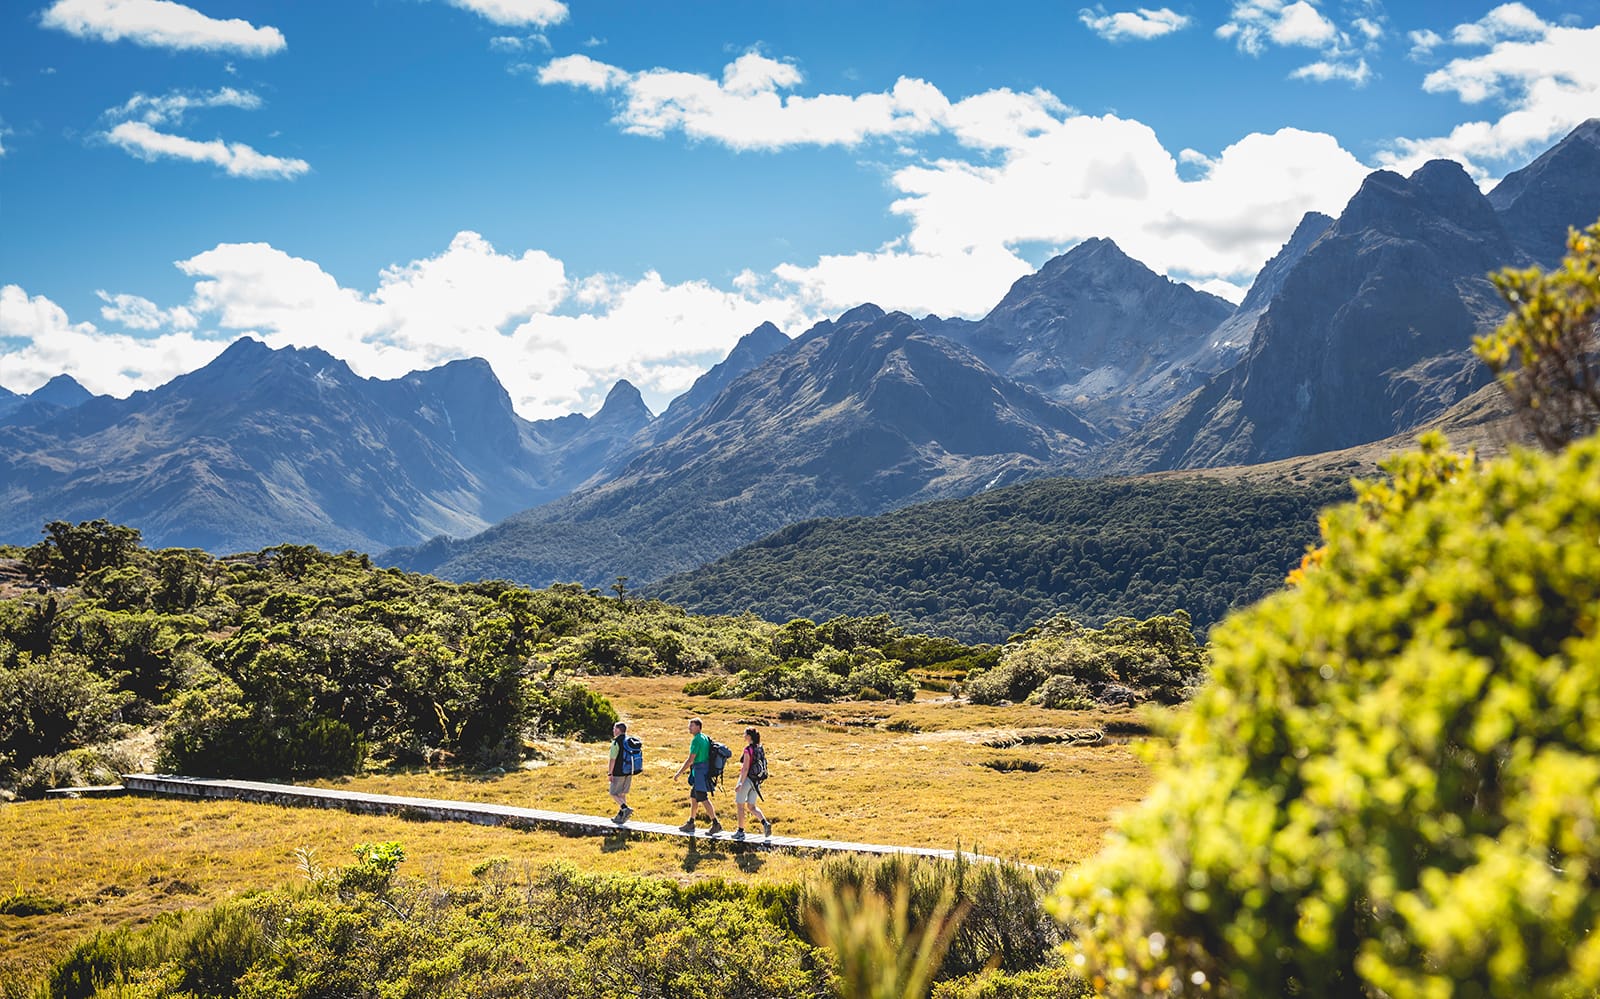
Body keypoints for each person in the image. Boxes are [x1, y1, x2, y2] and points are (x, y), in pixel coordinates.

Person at [672, 717, 720, 835]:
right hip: (703, 770)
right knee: (694, 797)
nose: (689, 728)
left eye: (691, 725)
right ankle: (691, 822)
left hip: (699, 772)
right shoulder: (704, 737)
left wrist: (679, 773)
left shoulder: (696, 740)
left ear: (698, 727)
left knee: (702, 797)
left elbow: (690, 760)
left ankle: (716, 823)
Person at [732, 726, 772, 841]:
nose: (743, 736)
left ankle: (740, 831)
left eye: (745, 734)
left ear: (749, 737)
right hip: (756, 782)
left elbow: (745, 769)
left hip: (747, 780)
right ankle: (765, 823)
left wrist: (740, 783)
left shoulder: (748, 750)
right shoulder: (759, 748)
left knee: (740, 806)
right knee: (751, 806)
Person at [606, 721, 634, 824]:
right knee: (622, 794)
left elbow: (612, 759)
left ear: (618, 730)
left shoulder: (616, 742)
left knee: (613, 793)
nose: (613, 731)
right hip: (629, 771)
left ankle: (625, 808)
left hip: (619, 772)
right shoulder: (629, 740)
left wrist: (610, 773)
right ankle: (621, 817)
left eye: (614, 729)